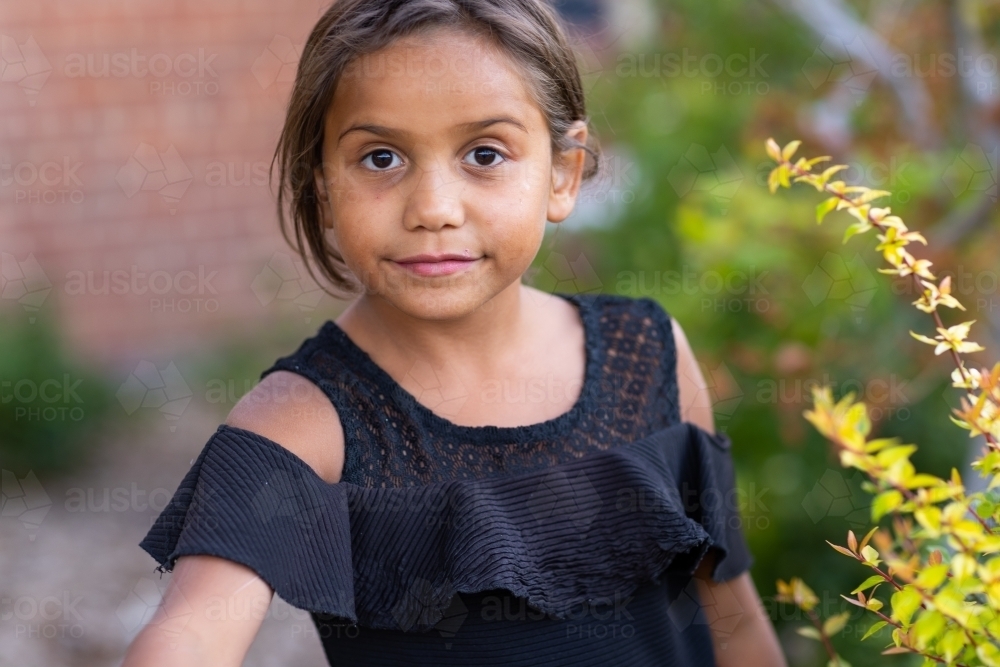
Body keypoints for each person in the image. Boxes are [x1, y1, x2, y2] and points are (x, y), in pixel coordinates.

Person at [123, 0, 786, 665]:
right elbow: (192, 632)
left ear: (563, 173)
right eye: (380, 158)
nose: (434, 208)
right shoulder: (305, 421)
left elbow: (733, 622)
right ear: (321, 186)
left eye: (485, 153)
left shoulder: (647, 355)